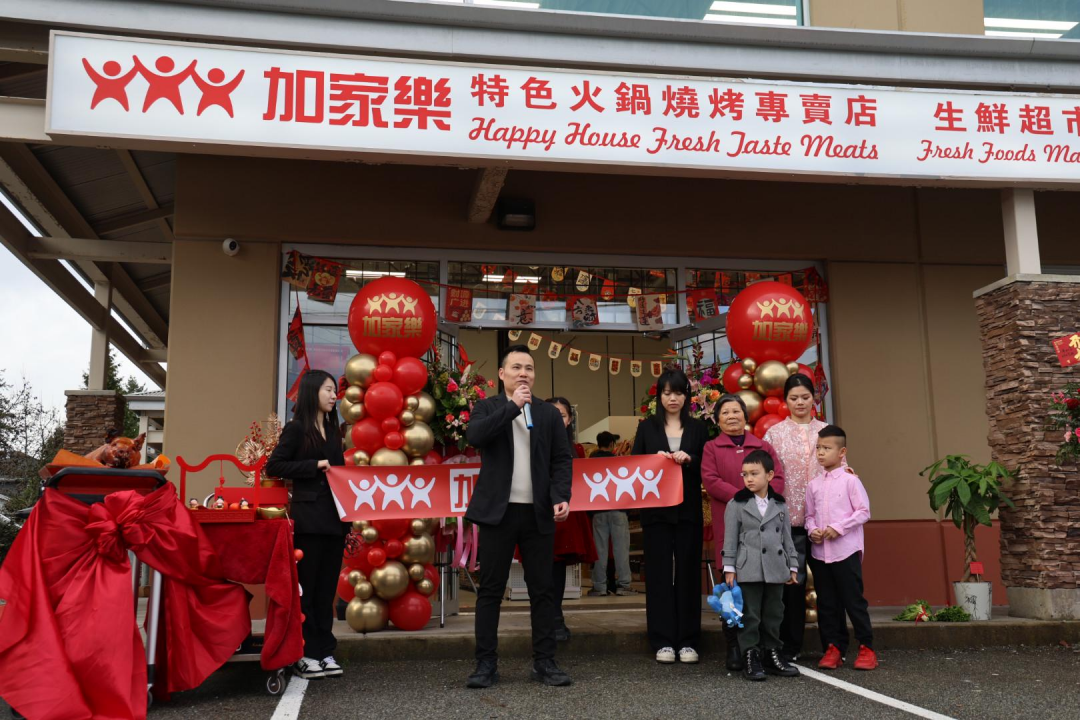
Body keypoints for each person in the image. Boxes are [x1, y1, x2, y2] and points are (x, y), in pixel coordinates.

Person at [463, 345, 574, 688]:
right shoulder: (488, 407)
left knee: (542, 590)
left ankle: (545, 662)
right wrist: (512, 406)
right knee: (491, 590)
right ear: (502, 374)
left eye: (529, 368)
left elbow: (561, 459)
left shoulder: (548, 413)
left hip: (538, 513)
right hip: (498, 513)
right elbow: (475, 436)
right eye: (516, 367)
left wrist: (561, 496)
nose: (523, 373)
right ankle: (486, 664)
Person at [266, 369, 348, 680]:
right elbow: (275, 465)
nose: (333, 395)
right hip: (309, 519)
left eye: (334, 390)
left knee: (326, 590)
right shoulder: (297, 428)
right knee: (308, 588)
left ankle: (325, 650)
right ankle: (306, 652)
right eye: (328, 389)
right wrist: (315, 465)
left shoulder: (334, 431)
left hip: (335, 520)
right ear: (313, 391)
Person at [701, 394, 785, 672]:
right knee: (732, 590)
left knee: (765, 594)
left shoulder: (762, 447)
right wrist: (745, 496)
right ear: (717, 420)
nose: (731, 416)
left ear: (745, 415)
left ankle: (765, 649)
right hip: (730, 527)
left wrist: (759, 496)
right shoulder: (711, 448)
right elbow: (710, 480)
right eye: (725, 412)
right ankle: (735, 648)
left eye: (736, 411)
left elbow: (778, 478)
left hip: (763, 530)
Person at [632, 368, 709, 665]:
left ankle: (688, 641)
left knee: (689, 573)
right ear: (659, 396)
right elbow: (635, 465)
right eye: (667, 393)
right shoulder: (646, 428)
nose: (672, 398)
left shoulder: (698, 427)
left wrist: (689, 459)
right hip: (656, 512)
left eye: (678, 392)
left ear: (686, 396)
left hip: (688, 509)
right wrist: (655, 461)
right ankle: (662, 640)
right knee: (659, 574)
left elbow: (706, 464)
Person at [762, 374, 827, 663]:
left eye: (805, 397)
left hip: (824, 524)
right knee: (792, 585)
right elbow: (765, 474)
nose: (800, 402)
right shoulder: (774, 434)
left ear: (814, 398)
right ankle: (790, 645)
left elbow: (840, 469)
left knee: (828, 584)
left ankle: (833, 645)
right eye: (794, 398)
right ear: (785, 401)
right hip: (787, 522)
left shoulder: (826, 431)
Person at [722, 450, 801, 681]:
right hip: (748, 567)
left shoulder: (780, 505)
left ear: (770, 475)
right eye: (745, 474)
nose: (749, 479)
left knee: (774, 612)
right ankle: (750, 654)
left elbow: (787, 538)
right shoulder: (736, 504)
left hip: (776, 567)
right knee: (750, 614)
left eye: (754, 473)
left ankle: (772, 653)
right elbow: (730, 539)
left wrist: (792, 565)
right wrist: (729, 568)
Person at [805, 425, 877, 671]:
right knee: (827, 603)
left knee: (853, 601)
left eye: (827, 448)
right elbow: (809, 516)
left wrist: (839, 527)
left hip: (845, 551)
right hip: (820, 554)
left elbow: (864, 511)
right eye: (818, 448)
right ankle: (834, 647)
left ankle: (866, 647)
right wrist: (812, 530)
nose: (821, 453)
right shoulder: (813, 485)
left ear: (842, 451)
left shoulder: (850, 480)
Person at [546, 397, 598, 641]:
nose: (558, 419)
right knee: (540, 568)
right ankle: (546, 617)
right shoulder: (532, 446)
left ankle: (555, 617)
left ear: (569, 420)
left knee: (557, 568)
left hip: (566, 516)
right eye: (552, 414)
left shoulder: (576, 450)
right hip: (538, 514)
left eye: (562, 415)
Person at [587, 431, 636, 598]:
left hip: (598, 510)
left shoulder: (590, 461)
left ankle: (599, 586)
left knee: (599, 550)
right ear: (611, 444)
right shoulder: (618, 461)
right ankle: (624, 585)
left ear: (598, 443)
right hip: (619, 509)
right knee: (621, 549)